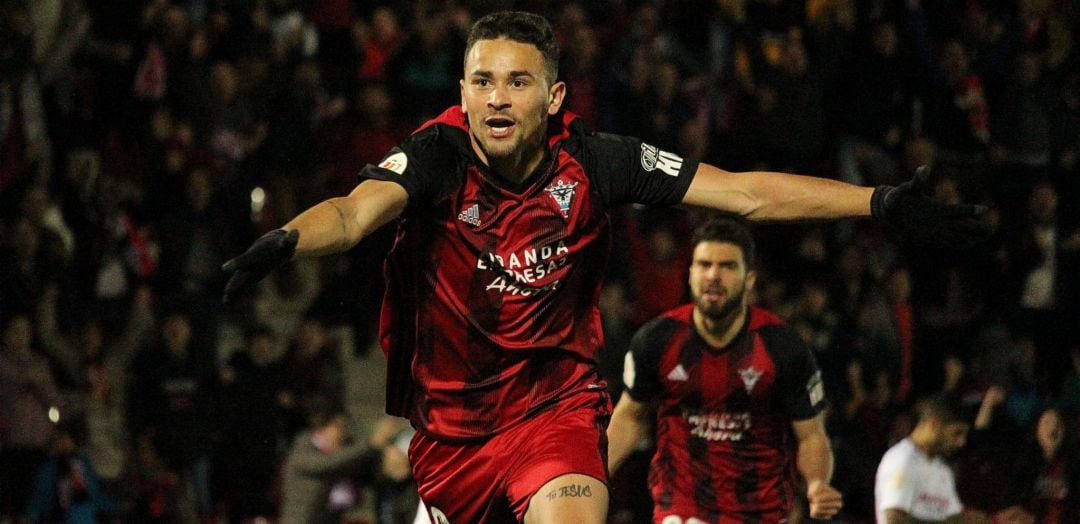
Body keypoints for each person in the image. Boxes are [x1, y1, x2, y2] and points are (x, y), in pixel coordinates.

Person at [222, 11, 989, 523]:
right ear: (461, 91)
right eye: (482, 80)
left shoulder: (597, 162)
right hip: (449, 438)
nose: (496, 97)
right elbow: (355, 213)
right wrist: (287, 239)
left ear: (554, 96)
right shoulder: (435, 156)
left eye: (517, 81)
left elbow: (747, 193)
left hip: (555, 413)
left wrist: (879, 203)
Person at [606, 215, 842, 523]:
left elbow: (811, 436)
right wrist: (592, 475)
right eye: (704, 265)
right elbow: (629, 415)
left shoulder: (782, 346)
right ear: (690, 274)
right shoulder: (657, 340)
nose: (713, 275)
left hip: (761, 512)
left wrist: (817, 484)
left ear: (749, 279)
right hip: (681, 508)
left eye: (728, 266)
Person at [874, 395, 970, 523]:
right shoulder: (902, 460)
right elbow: (894, 519)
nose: (961, 442)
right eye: (957, 433)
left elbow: (955, 518)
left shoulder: (941, 469)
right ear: (934, 424)